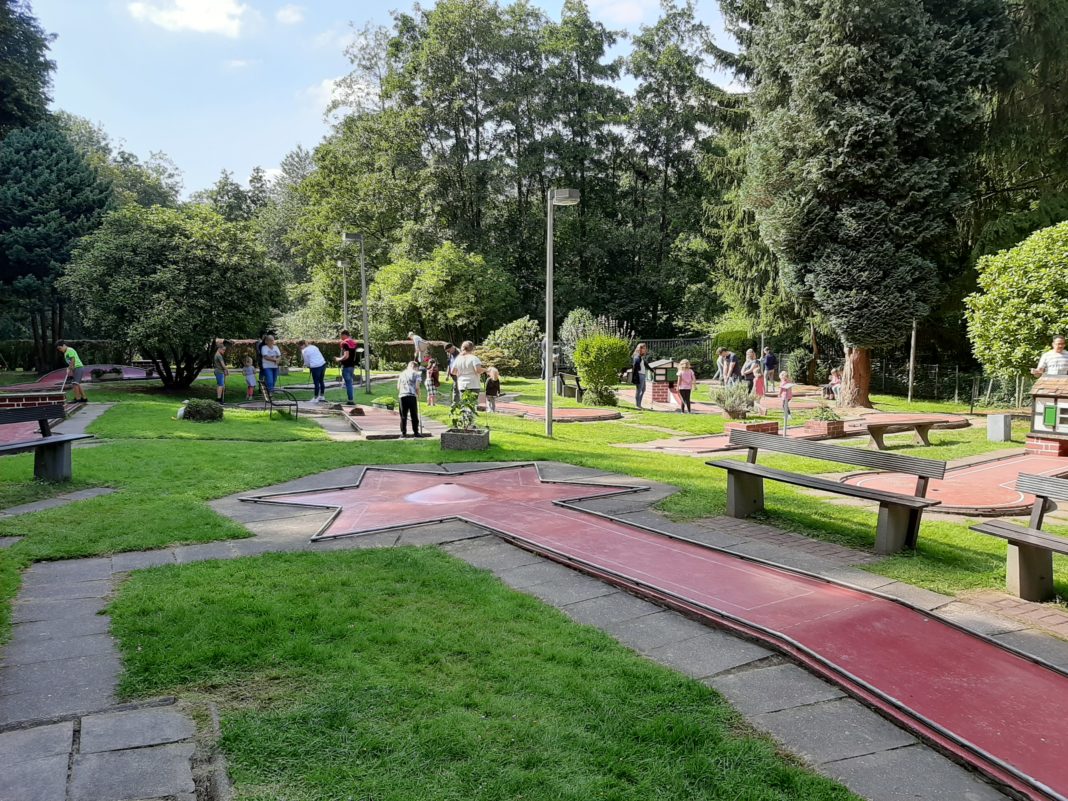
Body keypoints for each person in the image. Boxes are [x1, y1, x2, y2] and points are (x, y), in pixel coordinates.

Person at [396, 361, 423, 438]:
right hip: (412, 396)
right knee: (414, 415)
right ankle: (416, 432)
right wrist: (419, 394)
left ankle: (403, 433)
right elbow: (417, 387)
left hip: (402, 396)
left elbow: (398, 387)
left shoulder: (402, 374)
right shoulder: (416, 374)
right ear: (415, 367)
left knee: (403, 416)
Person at [335, 329, 359, 404]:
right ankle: (351, 399)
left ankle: (350, 400)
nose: (341, 338)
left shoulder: (345, 343)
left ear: (344, 335)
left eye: (341, 336)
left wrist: (338, 359)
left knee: (348, 383)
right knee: (350, 383)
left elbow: (346, 356)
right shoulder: (353, 343)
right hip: (352, 366)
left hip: (346, 366)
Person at [632, 343, 651, 409]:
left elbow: (645, 364)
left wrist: (651, 370)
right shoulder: (637, 356)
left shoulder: (640, 356)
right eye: (644, 348)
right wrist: (636, 375)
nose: (645, 349)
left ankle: (639, 404)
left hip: (642, 374)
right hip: (639, 375)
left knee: (643, 389)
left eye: (645, 348)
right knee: (639, 390)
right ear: (640, 348)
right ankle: (637, 405)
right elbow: (635, 365)